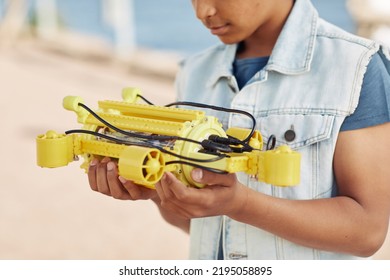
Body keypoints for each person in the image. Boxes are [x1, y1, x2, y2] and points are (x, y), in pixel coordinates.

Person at [87, 0, 390, 259]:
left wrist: (242, 204)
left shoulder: (354, 66)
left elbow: (367, 231)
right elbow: (201, 226)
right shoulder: (195, 72)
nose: (202, 11)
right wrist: (158, 192)